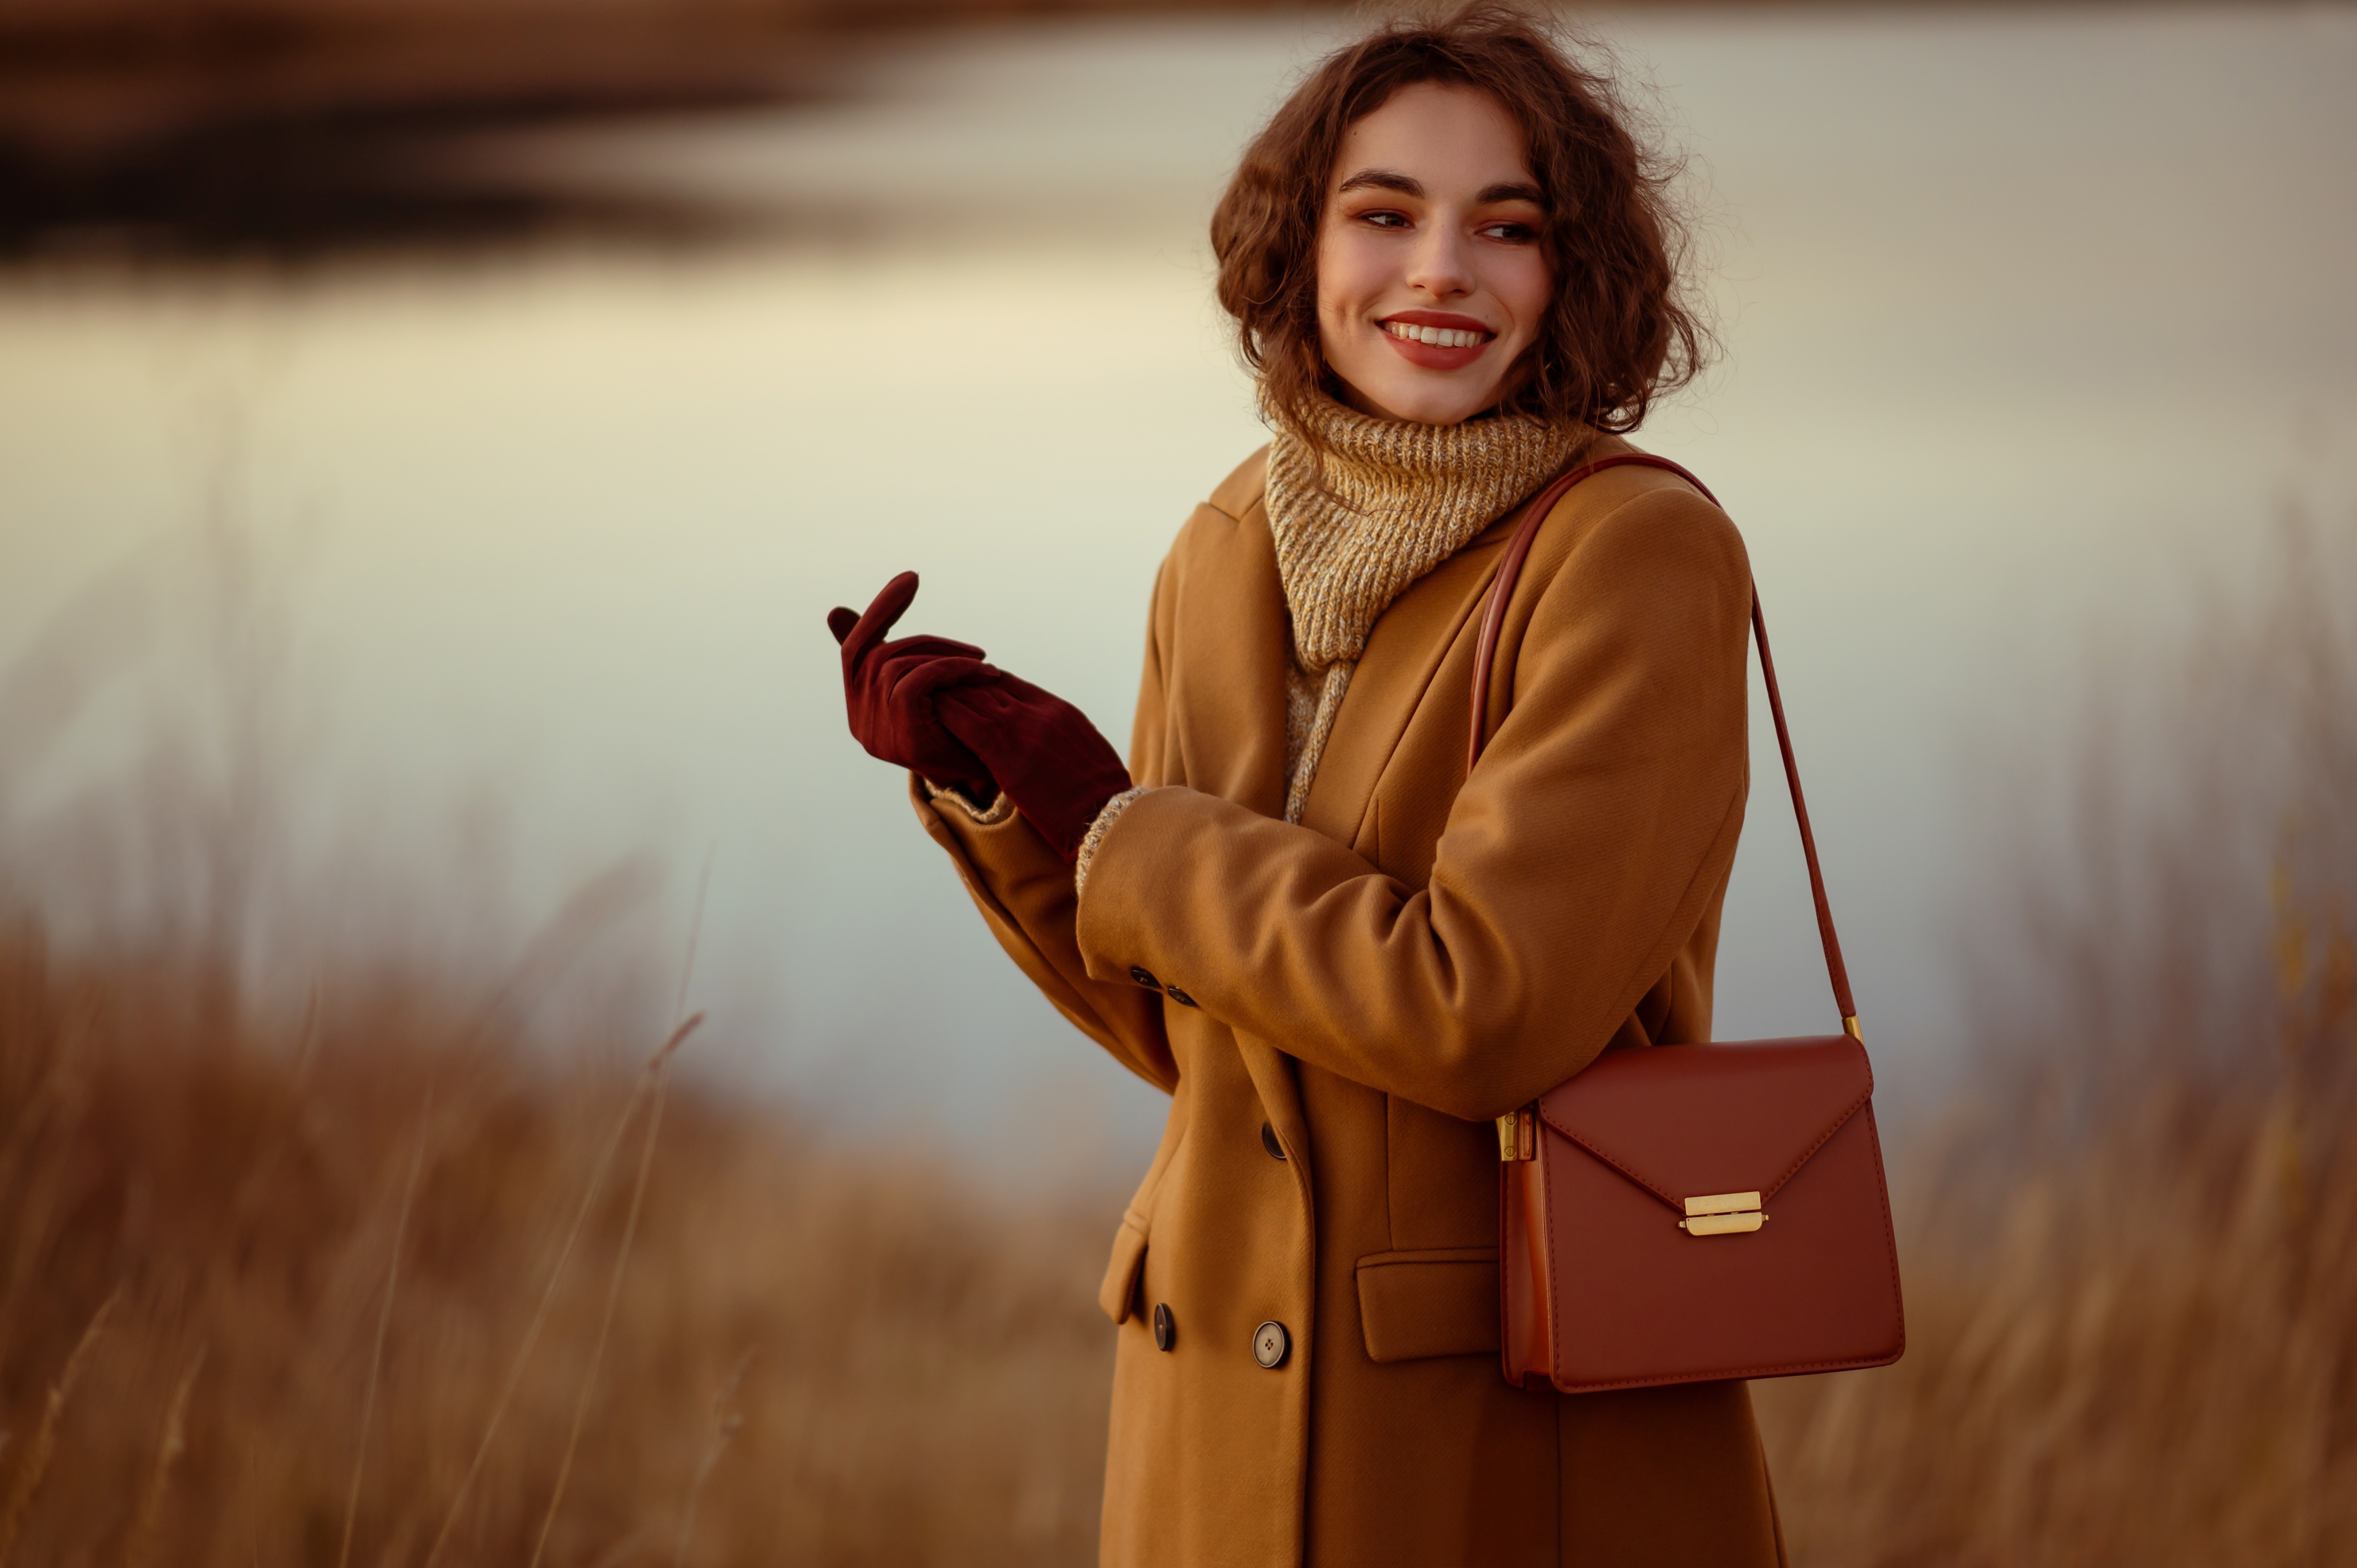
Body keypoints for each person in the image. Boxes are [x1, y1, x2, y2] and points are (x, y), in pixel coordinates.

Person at [826, 5, 1781, 1562]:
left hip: (1494, 1446)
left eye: (1506, 227)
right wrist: (1009, 810)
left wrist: (1124, 831)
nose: (1437, 272)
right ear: (1302, 246)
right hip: (1203, 1432)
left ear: (1571, 273)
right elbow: (1190, 1031)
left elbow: (1485, 1007)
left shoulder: (1635, 555)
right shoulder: (1225, 542)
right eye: (1383, 214)